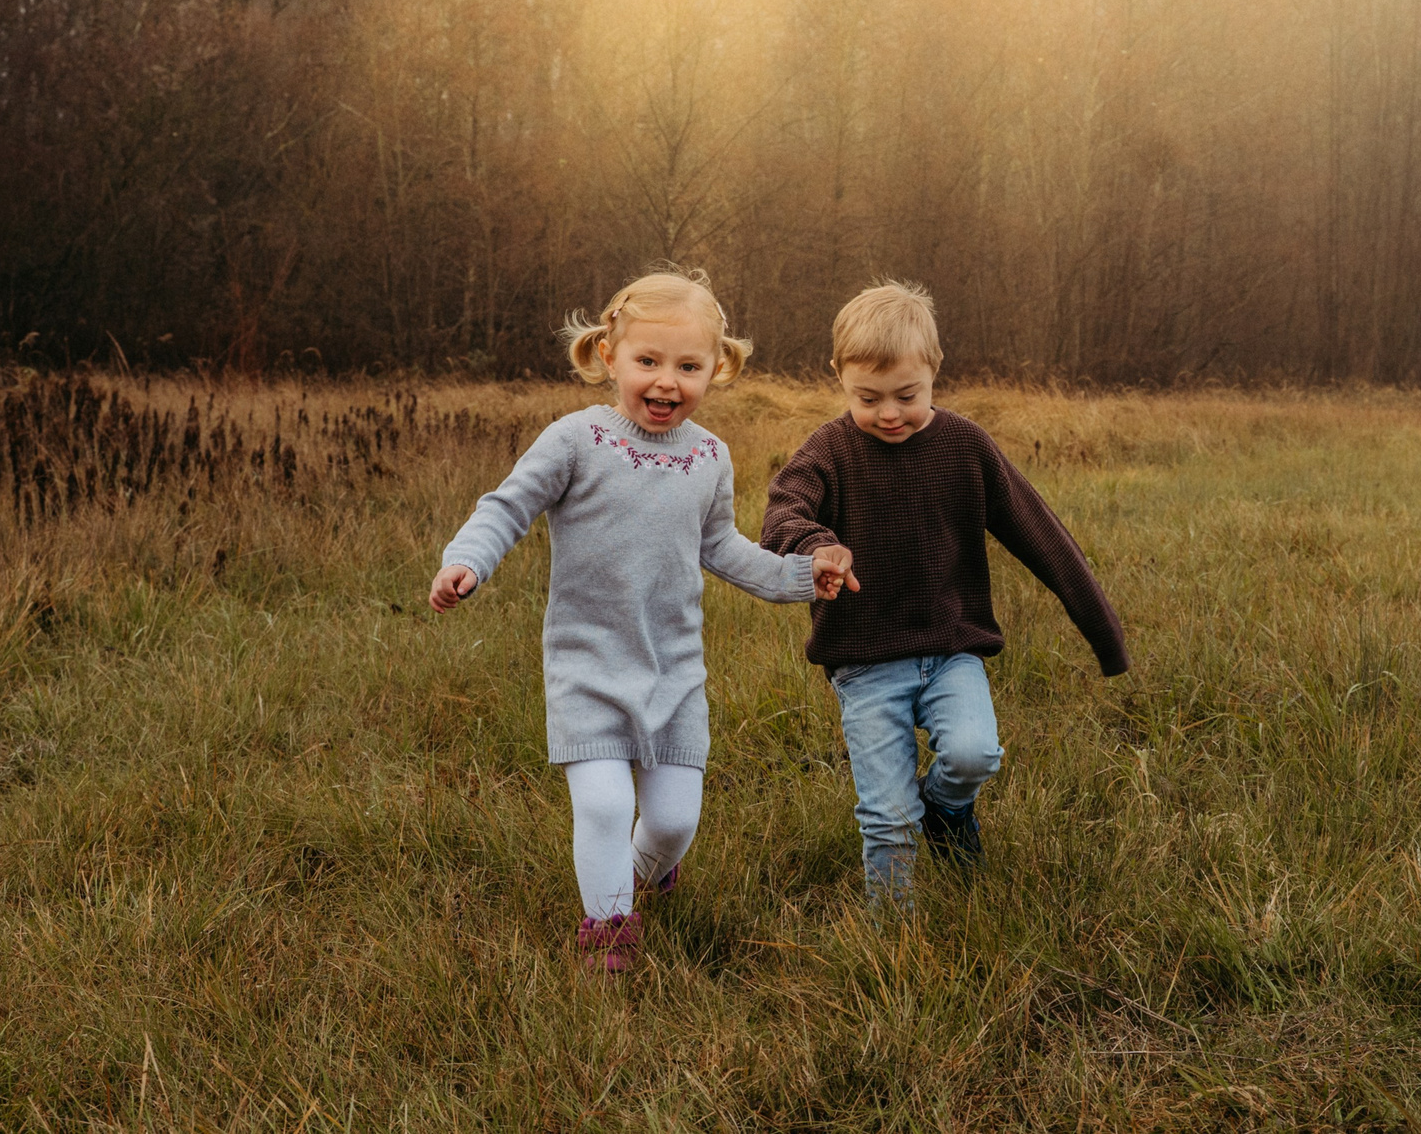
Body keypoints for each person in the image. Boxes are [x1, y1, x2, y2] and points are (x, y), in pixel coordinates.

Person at [429, 270, 856, 974]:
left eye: (688, 366)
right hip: (587, 665)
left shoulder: (709, 457)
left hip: (673, 671)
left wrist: (800, 576)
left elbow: (721, 547)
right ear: (609, 356)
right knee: (602, 805)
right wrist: (466, 560)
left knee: (673, 821)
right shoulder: (575, 440)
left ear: (716, 368)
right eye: (648, 360)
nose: (666, 381)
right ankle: (608, 930)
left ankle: (642, 872)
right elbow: (507, 506)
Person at [762, 280, 1128, 901]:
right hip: (865, 662)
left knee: (974, 755)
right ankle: (892, 937)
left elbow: (1042, 535)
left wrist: (1104, 633)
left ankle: (947, 809)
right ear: (839, 376)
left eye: (906, 395)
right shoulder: (829, 449)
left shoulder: (965, 446)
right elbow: (782, 511)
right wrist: (816, 544)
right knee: (888, 818)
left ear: (934, 368)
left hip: (952, 651)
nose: (889, 413)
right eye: (868, 398)